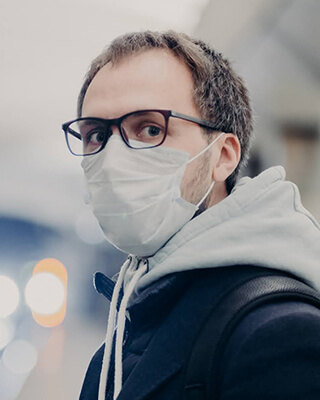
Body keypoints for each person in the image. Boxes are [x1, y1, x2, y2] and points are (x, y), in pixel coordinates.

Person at [62, 31, 320, 400]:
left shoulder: (279, 334)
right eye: (97, 135)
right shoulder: (123, 338)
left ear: (223, 156)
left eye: (150, 128)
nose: (113, 159)